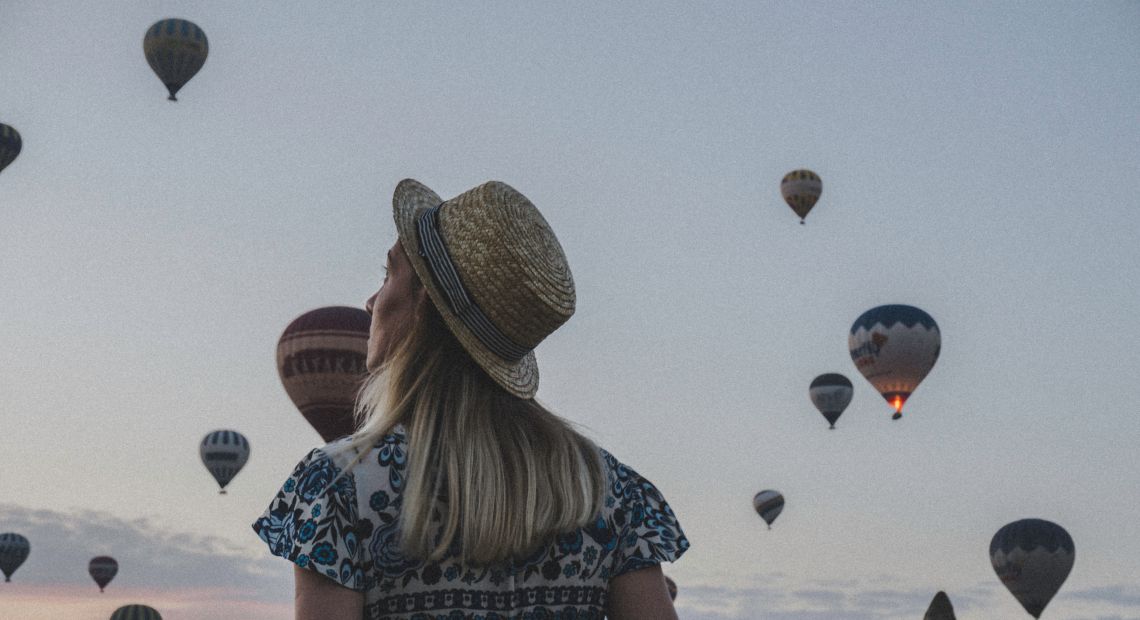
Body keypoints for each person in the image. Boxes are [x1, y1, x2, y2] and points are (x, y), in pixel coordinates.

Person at [253, 179, 688, 619]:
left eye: (388, 274)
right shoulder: (610, 491)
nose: (370, 301)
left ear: (423, 303)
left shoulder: (338, 488)